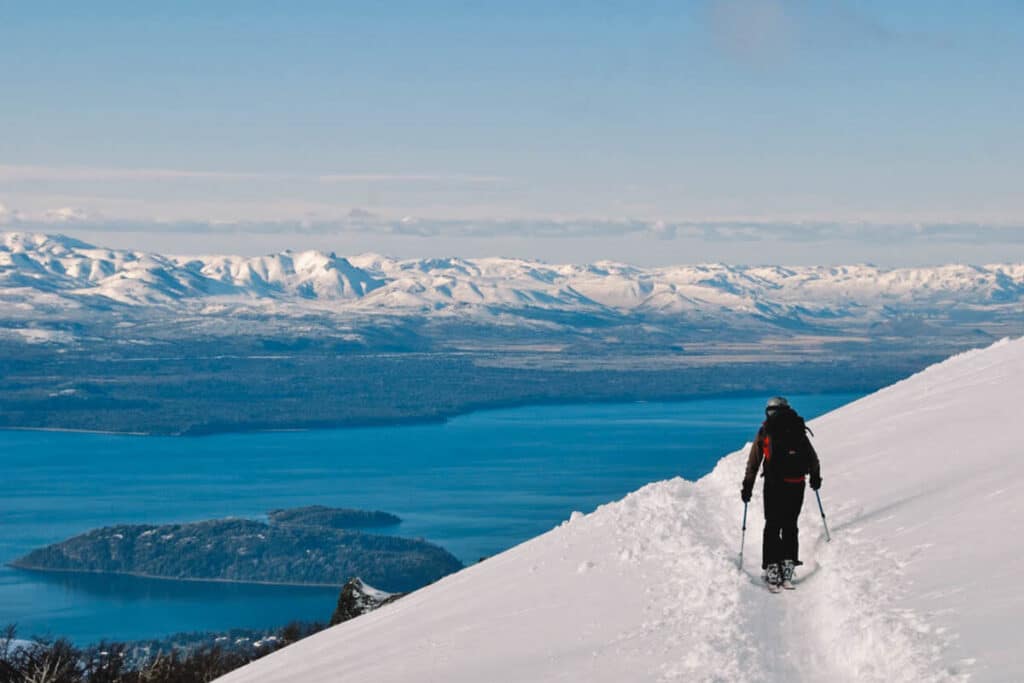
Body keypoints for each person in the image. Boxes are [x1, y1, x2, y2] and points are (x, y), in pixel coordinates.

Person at [741, 396, 822, 591]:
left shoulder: (766, 431)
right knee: (790, 524)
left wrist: (747, 487)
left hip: (774, 484)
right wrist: (815, 478)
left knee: (772, 525)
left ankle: (772, 568)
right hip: (797, 484)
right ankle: (787, 567)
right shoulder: (797, 428)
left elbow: (754, 462)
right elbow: (812, 458)